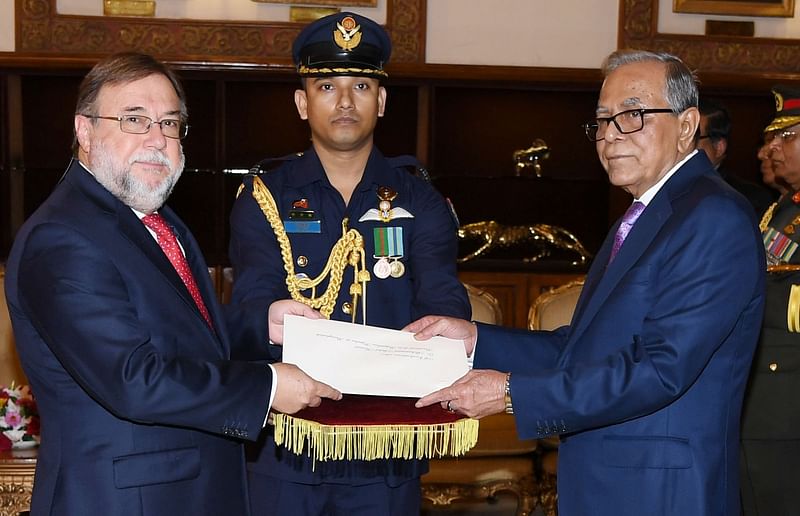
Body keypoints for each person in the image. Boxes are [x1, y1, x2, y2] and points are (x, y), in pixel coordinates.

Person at [408, 50, 765, 516]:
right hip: (612, 482)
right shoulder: (646, 215)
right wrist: (475, 341)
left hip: (662, 493)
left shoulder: (713, 217)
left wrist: (511, 393)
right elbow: (585, 349)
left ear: (686, 125)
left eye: (633, 115)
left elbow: (661, 369)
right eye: (601, 120)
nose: (610, 136)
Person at [3, 52, 341, 515]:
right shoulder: (63, 238)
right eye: (135, 120)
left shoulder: (156, 222)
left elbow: (175, 331)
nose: (157, 140)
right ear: (84, 130)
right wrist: (264, 386)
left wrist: (259, 326)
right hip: (121, 501)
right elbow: (131, 378)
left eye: (169, 123)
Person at [227, 11, 471, 516]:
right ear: (302, 102)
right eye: (325, 86)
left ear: (381, 101)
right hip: (287, 441)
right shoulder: (263, 198)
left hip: (386, 443)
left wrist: (451, 330)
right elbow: (249, 305)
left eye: (361, 84)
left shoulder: (420, 200)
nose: (343, 101)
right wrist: (267, 317)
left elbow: (442, 294)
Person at [740, 85, 800, 516]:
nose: (771, 148)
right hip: (762, 390)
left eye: (788, 136)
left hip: (788, 398)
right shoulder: (783, 207)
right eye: (770, 137)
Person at [696, 97, 775, 215]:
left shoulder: (748, 199)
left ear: (719, 147)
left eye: (693, 139)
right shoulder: (673, 187)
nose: (682, 146)